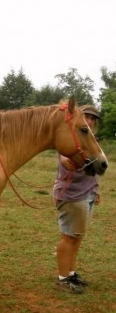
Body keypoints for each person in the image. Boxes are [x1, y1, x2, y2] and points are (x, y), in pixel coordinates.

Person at [53, 104, 101, 294]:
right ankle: (63, 278)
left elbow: (95, 170)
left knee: (77, 236)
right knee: (68, 237)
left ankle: (71, 273)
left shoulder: (90, 141)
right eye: (86, 116)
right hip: (72, 194)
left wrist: (96, 190)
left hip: (87, 192)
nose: (89, 120)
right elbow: (65, 160)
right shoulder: (70, 140)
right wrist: (69, 163)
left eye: (92, 118)